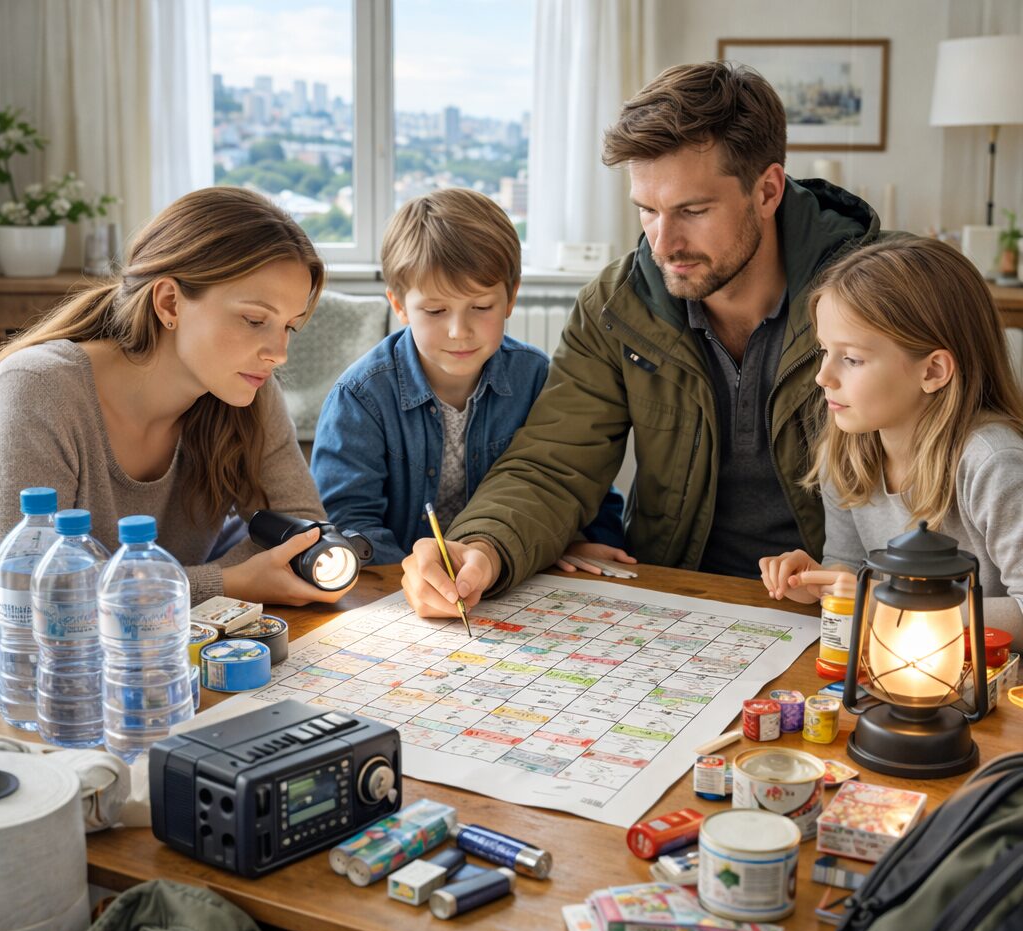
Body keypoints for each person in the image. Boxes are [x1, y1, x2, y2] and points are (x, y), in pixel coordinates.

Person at [401, 60, 883, 619]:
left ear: (768, 190)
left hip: (848, 608)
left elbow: (954, 474)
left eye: (693, 211)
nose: (664, 242)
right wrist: (482, 546)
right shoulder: (615, 306)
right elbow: (555, 465)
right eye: (647, 211)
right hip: (673, 601)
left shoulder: (888, 293)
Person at [0, 186, 349, 607]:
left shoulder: (250, 391)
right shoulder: (39, 388)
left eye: (289, 326)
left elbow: (306, 534)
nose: (278, 353)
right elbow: (25, 592)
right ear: (169, 303)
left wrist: (230, 578)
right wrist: (225, 583)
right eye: (254, 319)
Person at [310, 187, 629, 567]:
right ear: (399, 306)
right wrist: (417, 576)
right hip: (400, 590)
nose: (459, 331)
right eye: (434, 310)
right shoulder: (361, 396)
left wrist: (572, 539)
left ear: (511, 297)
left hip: (506, 578)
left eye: (480, 307)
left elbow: (582, 479)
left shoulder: (537, 377)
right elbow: (348, 523)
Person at [759, 237, 1023, 641]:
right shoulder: (845, 450)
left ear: (933, 371)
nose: (822, 377)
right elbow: (850, 566)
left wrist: (888, 603)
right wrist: (821, 583)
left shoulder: (992, 462)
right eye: (824, 351)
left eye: (851, 358)